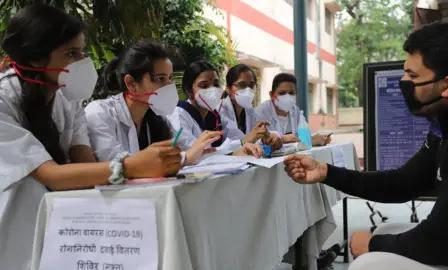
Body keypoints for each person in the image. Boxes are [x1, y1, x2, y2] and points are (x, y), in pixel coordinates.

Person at [284, 20, 448, 270]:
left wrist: (374, 244)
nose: (403, 82)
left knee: (367, 264)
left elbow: (442, 245)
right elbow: (403, 183)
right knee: (385, 231)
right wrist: (326, 172)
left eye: (413, 76)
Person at [0, 5, 182, 269]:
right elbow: (49, 174)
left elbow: (81, 157)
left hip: (62, 227)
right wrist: (129, 166)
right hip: (16, 228)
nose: (82, 62)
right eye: (71, 53)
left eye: (82, 52)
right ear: (37, 59)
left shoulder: (66, 98)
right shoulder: (4, 100)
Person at [85, 40, 221, 165]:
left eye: (170, 78)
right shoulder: (100, 113)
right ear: (131, 83)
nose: (169, 86)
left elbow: (183, 151)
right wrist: (184, 158)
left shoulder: (159, 119)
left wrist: (194, 152)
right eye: (160, 79)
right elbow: (116, 166)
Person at [169, 61, 264, 157]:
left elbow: (232, 139)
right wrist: (237, 147)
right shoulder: (179, 114)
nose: (213, 90)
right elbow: (192, 153)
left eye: (216, 84)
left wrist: (259, 139)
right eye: (204, 86)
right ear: (189, 91)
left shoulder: (214, 116)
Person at [255, 73, 331, 146]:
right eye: (282, 93)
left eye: (291, 93)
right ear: (271, 95)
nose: (287, 97)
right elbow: (257, 142)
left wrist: (317, 139)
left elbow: (301, 137)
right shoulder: (261, 113)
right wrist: (283, 139)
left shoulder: (295, 110)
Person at [220, 64, 283, 150]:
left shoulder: (249, 110)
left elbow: (259, 133)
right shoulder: (220, 109)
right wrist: (254, 137)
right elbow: (234, 141)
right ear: (228, 88)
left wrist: (271, 136)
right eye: (242, 85)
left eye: (251, 85)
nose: (248, 90)